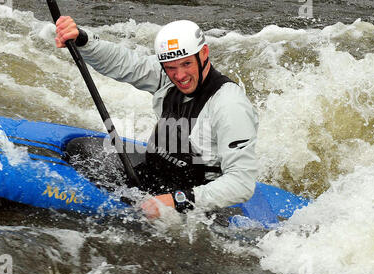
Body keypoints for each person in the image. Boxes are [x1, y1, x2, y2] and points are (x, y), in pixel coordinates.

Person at [54, 16, 259, 219]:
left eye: (187, 64)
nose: (180, 76)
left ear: (204, 53)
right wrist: (83, 40)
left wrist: (176, 200)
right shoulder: (166, 76)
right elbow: (126, 63)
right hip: (153, 175)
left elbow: (241, 183)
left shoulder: (230, 105)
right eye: (171, 67)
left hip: (193, 204)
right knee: (78, 149)